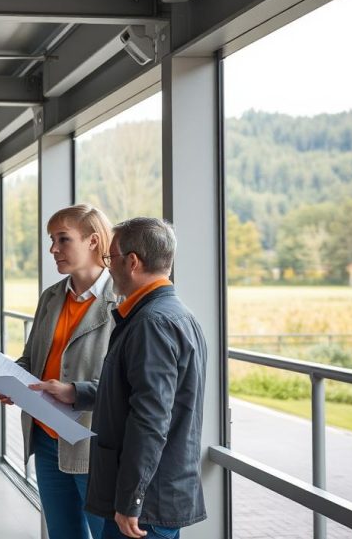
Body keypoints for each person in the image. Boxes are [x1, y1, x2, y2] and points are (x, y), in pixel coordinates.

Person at [0, 204, 115, 539]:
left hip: (93, 444)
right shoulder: (52, 297)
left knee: (107, 533)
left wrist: (72, 390)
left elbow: (125, 383)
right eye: (51, 239)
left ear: (92, 241)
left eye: (63, 239)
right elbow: (32, 359)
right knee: (63, 533)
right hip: (46, 438)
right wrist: (11, 380)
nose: (53, 249)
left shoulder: (120, 301)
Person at [78, 217, 207, 539]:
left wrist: (132, 499)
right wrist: (76, 392)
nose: (107, 268)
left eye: (111, 259)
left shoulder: (152, 323)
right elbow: (136, 395)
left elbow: (151, 418)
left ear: (132, 262)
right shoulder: (174, 314)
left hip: (146, 501)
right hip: (155, 492)